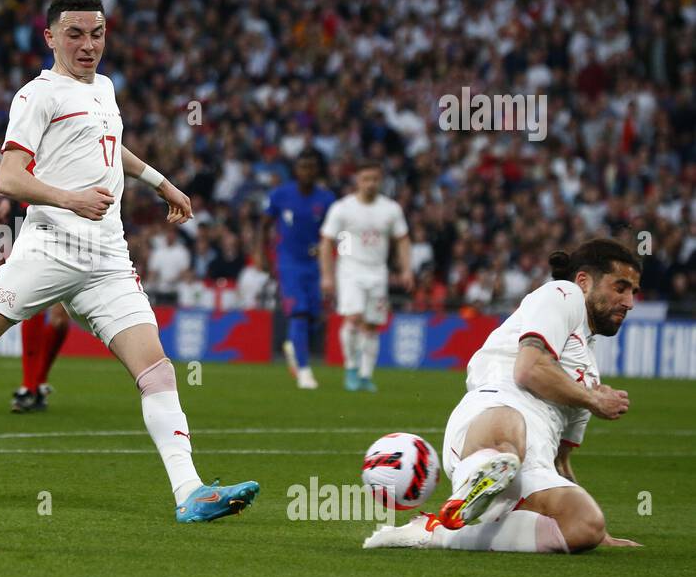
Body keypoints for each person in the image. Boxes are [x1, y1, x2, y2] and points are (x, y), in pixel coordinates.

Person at [0, 0, 259, 523]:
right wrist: (69, 197)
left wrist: (161, 183)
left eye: (97, 33)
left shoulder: (104, 87)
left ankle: (190, 491)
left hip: (107, 256)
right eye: (75, 34)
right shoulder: (37, 95)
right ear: (50, 37)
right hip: (51, 248)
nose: (88, 45)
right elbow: (7, 177)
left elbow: (111, 141)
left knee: (157, 372)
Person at [365, 238, 643, 553]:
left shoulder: (588, 372)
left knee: (585, 525)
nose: (629, 301)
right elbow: (527, 370)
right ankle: (487, 472)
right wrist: (593, 400)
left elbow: (560, 460)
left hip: (534, 462)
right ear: (583, 281)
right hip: (491, 413)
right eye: (620, 287)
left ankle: (436, 531)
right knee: (510, 432)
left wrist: (599, 531)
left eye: (633, 291)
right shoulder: (562, 295)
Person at [318, 160, 412, 392]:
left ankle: (365, 375)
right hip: (350, 269)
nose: (370, 184)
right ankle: (350, 367)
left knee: (371, 325)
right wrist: (327, 276)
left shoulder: (390, 209)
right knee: (353, 317)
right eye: (365, 179)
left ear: (380, 181)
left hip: (378, 271)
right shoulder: (343, 208)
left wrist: (407, 269)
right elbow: (327, 241)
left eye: (374, 179)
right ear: (357, 181)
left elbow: (402, 240)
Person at [263, 148, 336, 389]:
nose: (307, 171)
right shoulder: (280, 195)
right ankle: (304, 371)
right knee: (299, 313)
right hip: (289, 262)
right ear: (296, 170)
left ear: (318, 170)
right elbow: (263, 224)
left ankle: (293, 346)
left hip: (316, 264)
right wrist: (259, 252)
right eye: (303, 166)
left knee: (314, 316)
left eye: (312, 167)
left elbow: (335, 234)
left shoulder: (327, 200)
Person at [0, 197, 71, 413]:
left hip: (70, 219)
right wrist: (7, 199)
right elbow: (15, 164)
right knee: (33, 305)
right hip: (31, 219)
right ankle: (29, 387)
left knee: (60, 319)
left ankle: (38, 382)